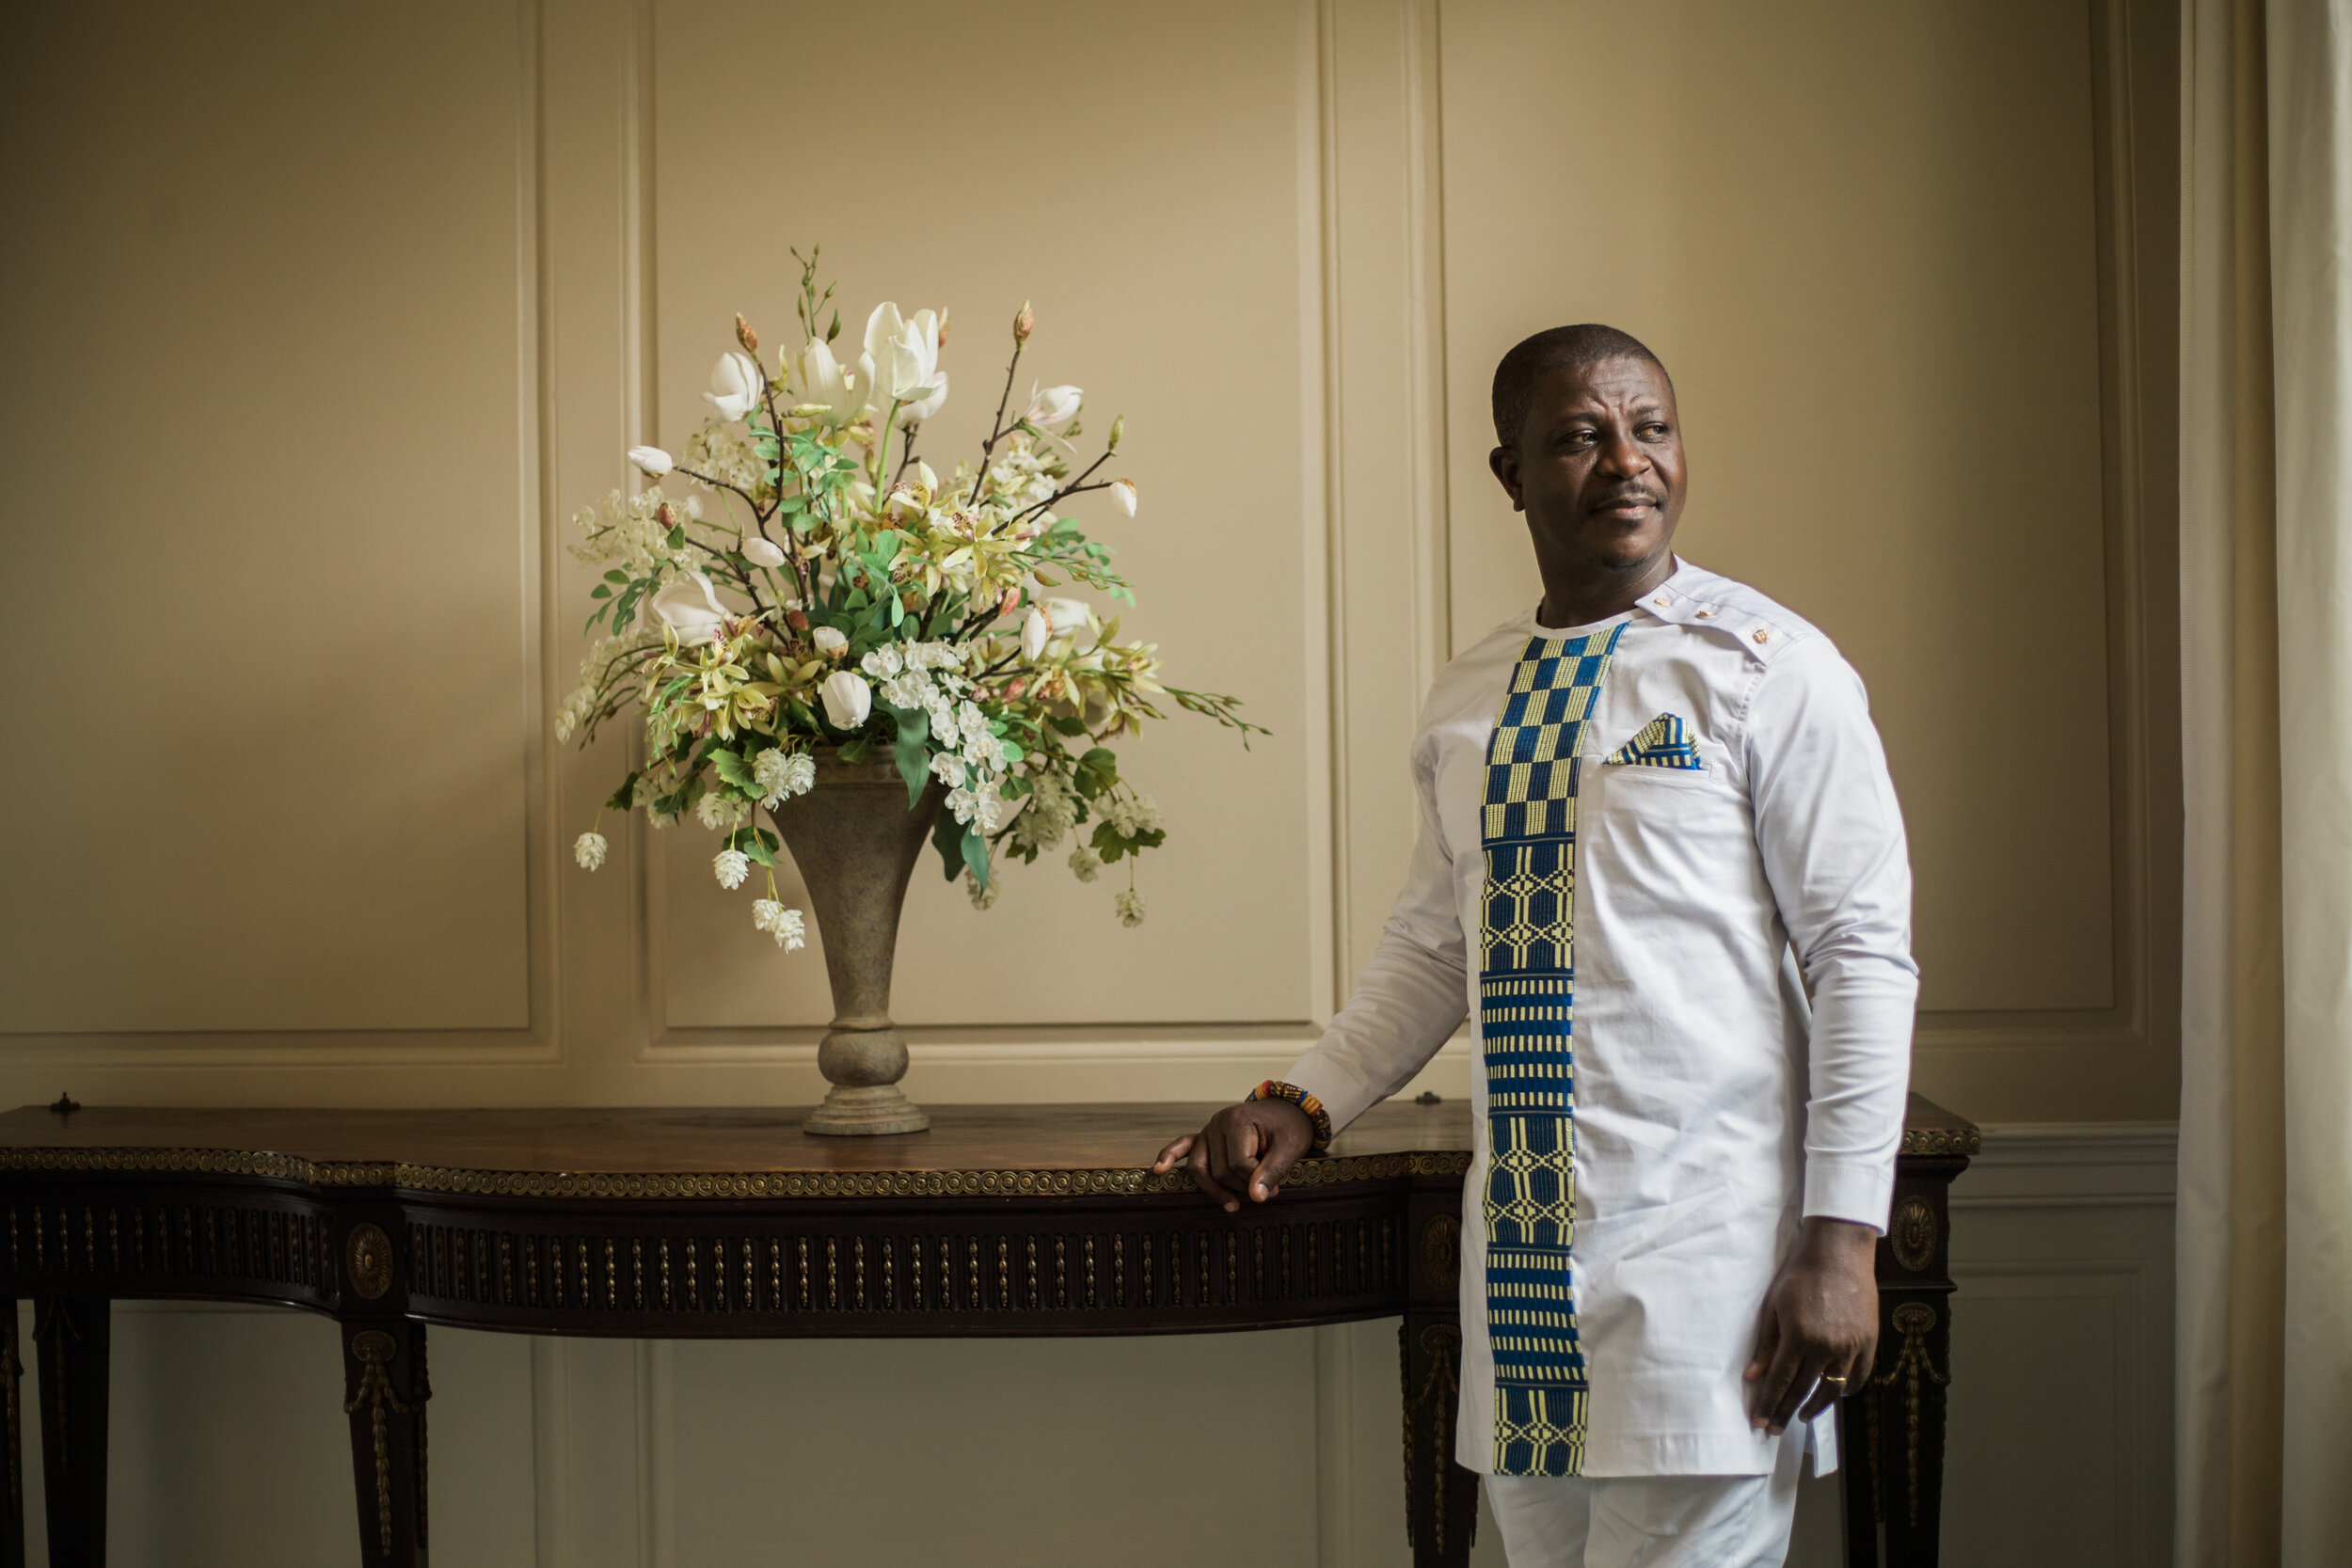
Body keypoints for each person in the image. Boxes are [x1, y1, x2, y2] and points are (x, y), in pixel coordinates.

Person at [1153, 325, 1917, 1567]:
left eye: (1651, 429)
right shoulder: (1474, 694)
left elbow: (1864, 957)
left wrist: (1843, 1244)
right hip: (1524, 1293)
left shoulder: (1771, 669)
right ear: (1509, 473)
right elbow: (1433, 945)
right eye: (1579, 437)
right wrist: (1301, 1099)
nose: (1627, 463)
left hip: (1709, 1282)